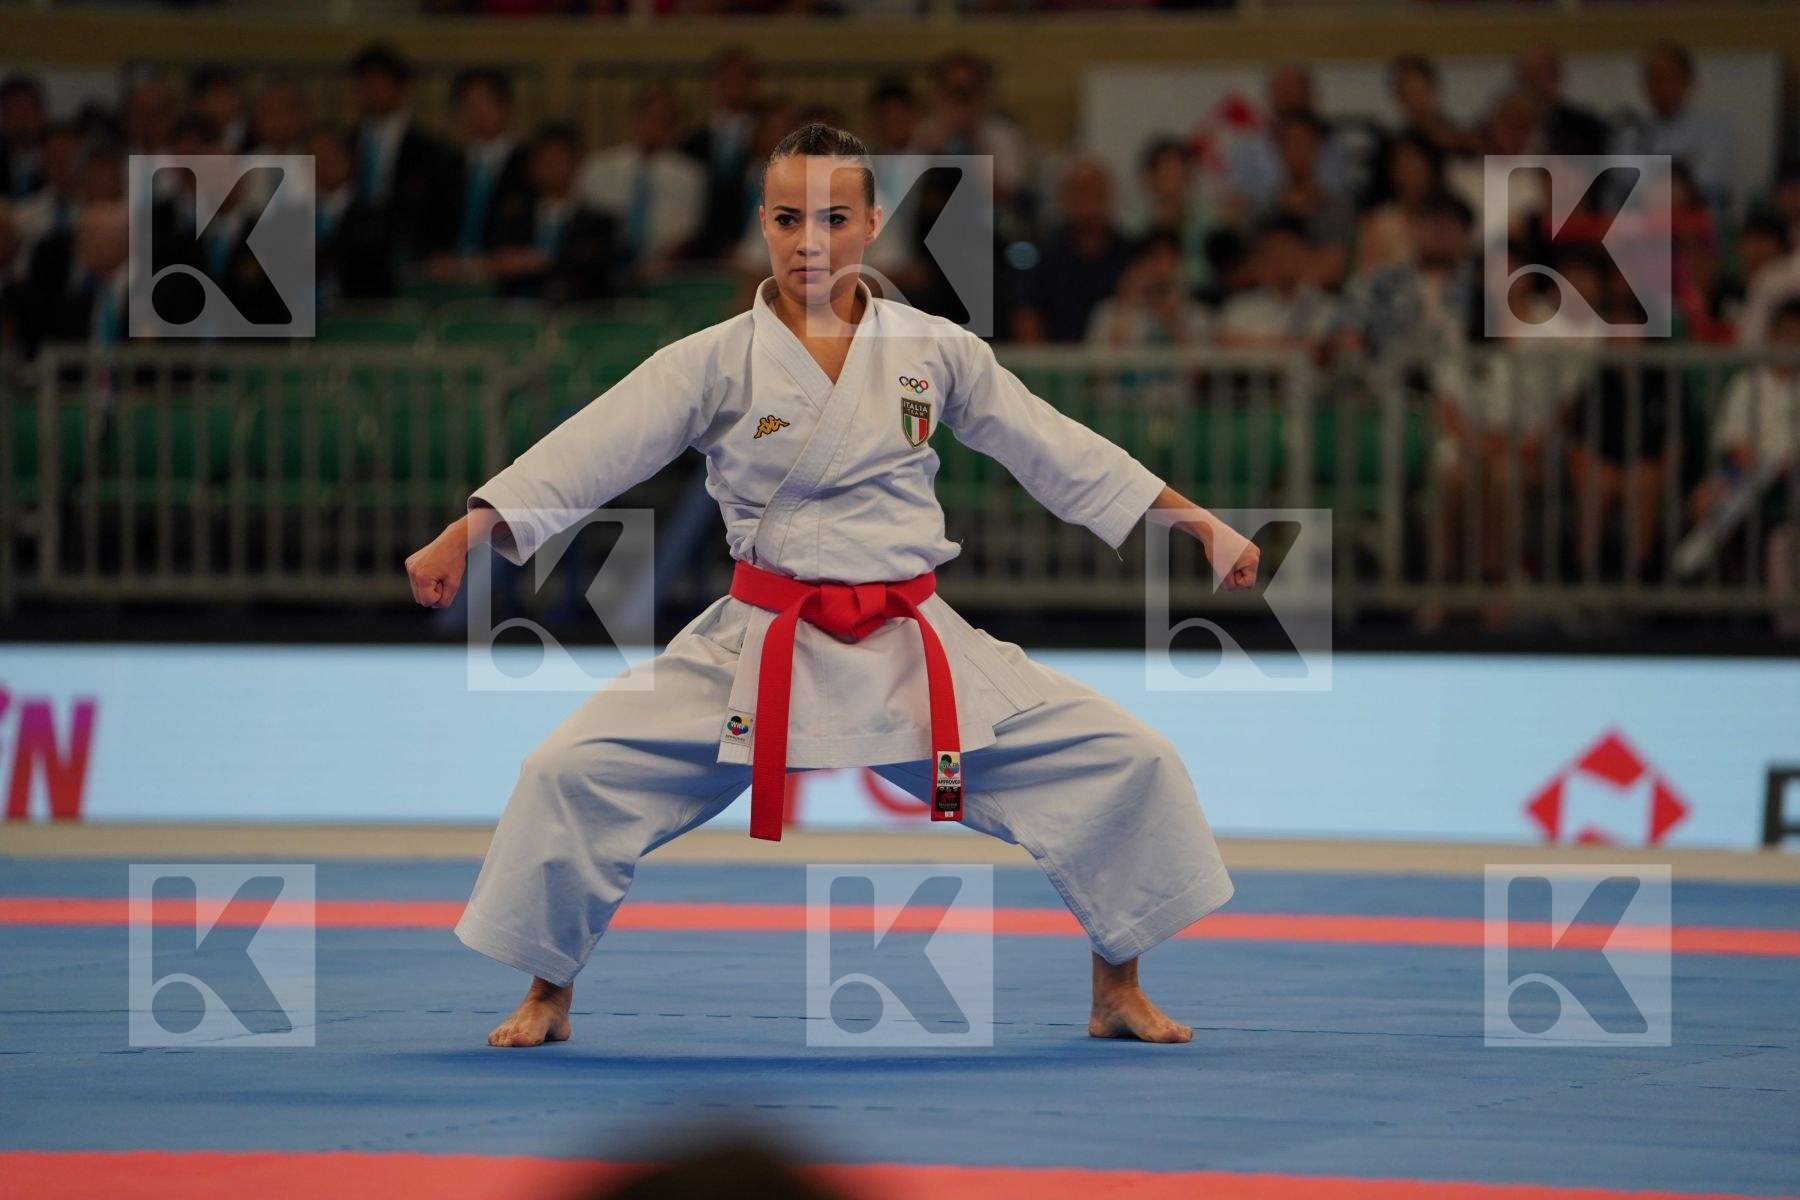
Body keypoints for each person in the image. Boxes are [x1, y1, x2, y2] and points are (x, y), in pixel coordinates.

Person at [405, 124, 1253, 1050]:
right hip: (763, 636)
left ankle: (1117, 989)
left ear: (873, 224)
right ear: (761, 225)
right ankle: (548, 993)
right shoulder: (714, 358)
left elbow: (1053, 445)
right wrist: (470, 528)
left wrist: (1197, 521)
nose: (809, 240)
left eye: (834, 218)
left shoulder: (936, 348)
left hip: (910, 640)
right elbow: (593, 448)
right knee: (567, 771)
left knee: (1124, 759)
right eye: (787, 218)